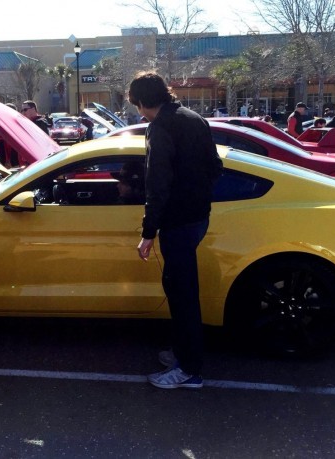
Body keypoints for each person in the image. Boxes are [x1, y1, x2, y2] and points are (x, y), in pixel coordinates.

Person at [128, 71, 223, 390]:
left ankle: (190, 370)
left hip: (178, 222)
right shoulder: (193, 117)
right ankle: (184, 353)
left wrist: (148, 232)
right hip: (198, 217)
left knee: (181, 295)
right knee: (182, 291)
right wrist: (195, 194)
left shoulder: (160, 127)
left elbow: (157, 185)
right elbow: (216, 167)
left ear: (140, 103)